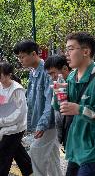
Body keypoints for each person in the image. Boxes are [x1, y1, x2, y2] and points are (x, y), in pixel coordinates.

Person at [52, 32, 95, 176]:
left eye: (70, 49)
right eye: (66, 49)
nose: (66, 54)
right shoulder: (72, 77)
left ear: (86, 51)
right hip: (77, 146)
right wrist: (58, 94)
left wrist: (79, 109)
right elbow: (60, 107)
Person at [13, 40, 62, 176]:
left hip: (49, 123)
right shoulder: (33, 72)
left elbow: (50, 101)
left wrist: (42, 124)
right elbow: (29, 98)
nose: (20, 60)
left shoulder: (47, 72)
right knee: (52, 159)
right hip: (42, 121)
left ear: (34, 54)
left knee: (35, 152)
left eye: (22, 56)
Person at [0, 62, 33, 176]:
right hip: (4, 124)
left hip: (16, 127)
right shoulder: (0, 86)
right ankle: (30, 170)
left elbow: (20, 113)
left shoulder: (17, 90)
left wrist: (2, 121)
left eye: (1, 75)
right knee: (17, 150)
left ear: (9, 75)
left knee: (4, 152)